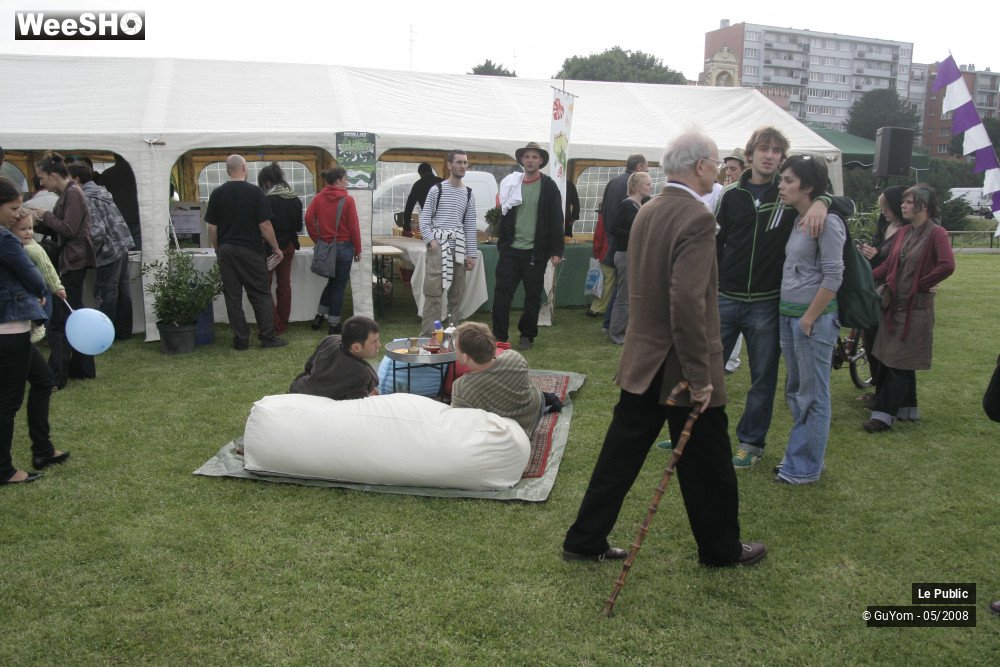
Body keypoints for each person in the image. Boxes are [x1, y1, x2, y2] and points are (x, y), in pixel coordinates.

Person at [562, 131, 766, 567]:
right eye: (715, 162)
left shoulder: (649, 209)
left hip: (644, 358)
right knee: (709, 463)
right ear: (700, 166)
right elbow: (687, 303)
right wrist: (699, 374)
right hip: (679, 363)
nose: (718, 170)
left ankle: (585, 538)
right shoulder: (695, 218)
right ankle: (721, 550)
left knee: (620, 456)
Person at [715, 126, 854, 469]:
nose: (770, 155)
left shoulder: (790, 190)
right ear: (750, 154)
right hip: (726, 297)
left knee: (763, 378)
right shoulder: (730, 195)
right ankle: (696, 433)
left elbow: (845, 204)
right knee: (706, 369)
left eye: (776, 150)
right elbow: (717, 243)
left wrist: (823, 201)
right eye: (763, 149)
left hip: (766, 301)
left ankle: (750, 442)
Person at [773, 155, 845, 484]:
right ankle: (804, 456)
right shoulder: (798, 217)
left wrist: (808, 318)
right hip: (790, 316)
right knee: (797, 390)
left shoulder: (827, 222)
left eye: (788, 180)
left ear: (809, 187)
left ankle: (803, 467)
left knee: (813, 395)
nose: (781, 185)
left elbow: (834, 276)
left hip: (812, 321)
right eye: (782, 179)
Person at [863, 185, 955, 433]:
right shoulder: (904, 232)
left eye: (909, 202)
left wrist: (921, 284)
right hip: (894, 306)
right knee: (894, 358)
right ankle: (907, 410)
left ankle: (882, 416)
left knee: (898, 361)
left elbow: (947, 265)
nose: (902, 205)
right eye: (903, 201)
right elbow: (890, 266)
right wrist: (866, 278)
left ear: (924, 206)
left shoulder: (937, 233)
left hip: (916, 309)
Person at [1, 177, 69, 486]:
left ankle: (43, 449)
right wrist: (40, 291)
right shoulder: (5, 239)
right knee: (8, 401)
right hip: (10, 328)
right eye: (13, 208)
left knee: (43, 380)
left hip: (13, 327)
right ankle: (4, 469)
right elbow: (33, 276)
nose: (17, 215)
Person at [204, 155, 287, 350]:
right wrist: (276, 247)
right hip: (250, 249)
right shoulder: (255, 192)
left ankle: (241, 340)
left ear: (228, 170)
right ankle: (268, 338)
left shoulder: (217, 193)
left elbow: (212, 228)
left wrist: (218, 248)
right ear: (244, 168)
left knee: (233, 297)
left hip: (226, 250)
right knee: (260, 294)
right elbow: (265, 225)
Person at [32, 152, 98, 388]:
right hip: (73, 260)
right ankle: (82, 368)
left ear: (53, 175)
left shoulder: (73, 193)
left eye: (42, 178)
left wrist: (45, 215)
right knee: (74, 316)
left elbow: (69, 229)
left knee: (60, 321)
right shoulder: (69, 193)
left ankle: (56, 376)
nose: (41, 183)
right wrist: (39, 223)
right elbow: (64, 229)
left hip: (73, 261)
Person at [493, 142, 564, 350]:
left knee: (532, 297)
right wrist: (503, 242)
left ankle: (527, 335)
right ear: (522, 160)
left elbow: (556, 219)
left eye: (534, 157)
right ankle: (499, 336)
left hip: (535, 252)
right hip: (510, 250)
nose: (530, 160)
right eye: (527, 157)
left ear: (541, 161)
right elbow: (504, 213)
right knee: (502, 295)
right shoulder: (512, 183)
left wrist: (556, 250)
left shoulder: (549, 186)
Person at [451, 321, 561, 437]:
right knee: (531, 389)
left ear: (465, 357)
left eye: (455, 347)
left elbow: (461, 427)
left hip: (511, 434)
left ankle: (549, 401)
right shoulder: (514, 357)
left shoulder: (462, 388)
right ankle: (549, 399)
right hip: (533, 412)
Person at [67, 163, 134, 340]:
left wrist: (88, 255)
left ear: (76, 179)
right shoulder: (101, 192)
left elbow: (96, 232)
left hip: (108, 250)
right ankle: (123, 332)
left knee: (106, 292)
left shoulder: (86, 198)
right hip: (121, 244)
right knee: (122, 291)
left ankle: (104, 334)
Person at [418, 150, 478, 337]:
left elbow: (470, 225)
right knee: (433, 294)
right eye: (459, 162)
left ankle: (452, 336)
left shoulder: (468, 193)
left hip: (459, 249)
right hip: (438, 248)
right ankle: (429, 336)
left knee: (456, 295)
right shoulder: (437, 190)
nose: (463, 166)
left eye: (465, 163)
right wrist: (432, 242)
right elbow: (424, 220)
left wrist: (471, 254)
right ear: (450, 165)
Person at [857, 186, 906, 405]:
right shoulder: (884, 225)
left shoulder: (906, 231)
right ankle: (877, 385)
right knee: (869, 339)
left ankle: (883, 393)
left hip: (889, 291)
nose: (883, 211)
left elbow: (895, 264)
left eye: (886, 207)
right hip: (874, 286)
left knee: (883, 341)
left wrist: (875, 258)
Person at [305, 166, 361, 336]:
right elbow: (354, 227)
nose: (347, 182)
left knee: (332, 282)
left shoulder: (319, 197)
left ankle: (319, 316)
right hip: (344, 247)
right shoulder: (348, 200)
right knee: (339, 286)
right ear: (338, 181)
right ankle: (334, 324)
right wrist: (358, 249)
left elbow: (308, 218)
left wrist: (318, 239)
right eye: (345, 179)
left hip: (326, 246)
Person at [599, 154, 647, 334]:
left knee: (619, 287)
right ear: (639, 167)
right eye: (648, 184)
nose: (651, 186)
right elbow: (618, 224)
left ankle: (609, 324)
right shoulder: (629, 202)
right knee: (622, 292)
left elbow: (604, 210)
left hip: (614, 241)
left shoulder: (613, 181)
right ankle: (615, 327)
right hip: (623, 246)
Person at [607, 171, 653, 345]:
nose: (650, 187)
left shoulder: (640, 205)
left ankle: (625, 329)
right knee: (623, 297)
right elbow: (613, 228)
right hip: (625, 254)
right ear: (637, 186)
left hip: (633, 254)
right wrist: (635, 234)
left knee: (629, 296)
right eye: (647, 184)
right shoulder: (627, 205)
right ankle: (616, 332)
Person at [258, 163, 303, 337]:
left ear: (267, 182)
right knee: (284, 284)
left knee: (265, 285)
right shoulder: (294, 198)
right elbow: (298, 226)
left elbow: (263, 226)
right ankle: (283, 322)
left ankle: (273, 323)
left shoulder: (266, 200)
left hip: (271, 247)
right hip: (290, 245)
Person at [289, 315, 380, 401]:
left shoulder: (329, 340)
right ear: (356, 347)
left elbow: (308, 367)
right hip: (313, 405)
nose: (379, 345)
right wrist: (369, 396)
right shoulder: (360, 373)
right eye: (374, 342)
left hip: (298, 389)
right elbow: (355, 406)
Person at [98, 155, 141, 253]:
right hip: (137, 215)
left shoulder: (107, 173)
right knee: (138, 252)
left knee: (121, 250)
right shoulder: (138, 172)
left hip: (115, 217)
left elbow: (100, 195)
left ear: (115, 157)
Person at [584, 202, 615, 319]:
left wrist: (597, 254)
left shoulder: (604, 217)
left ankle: (596, 308)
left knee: (605, 282)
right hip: (610, 253)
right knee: (608, 282)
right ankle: (597, 308)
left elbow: (598, 236)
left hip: (605, 254)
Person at [401, 162, 443, 238]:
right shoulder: (442, 182)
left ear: (420, 173)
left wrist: (406, 229)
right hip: (445, 222)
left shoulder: (418, 185)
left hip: (429, 223)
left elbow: (409, 207)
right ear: (431, 171)